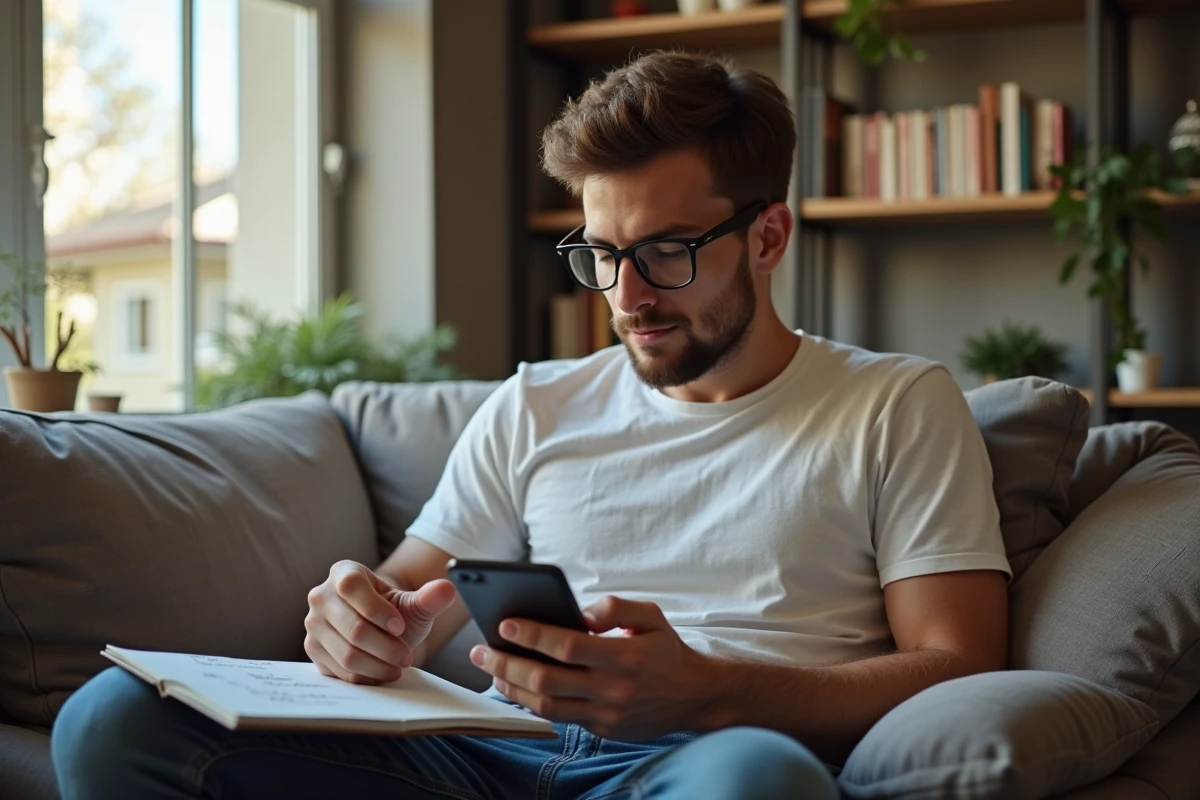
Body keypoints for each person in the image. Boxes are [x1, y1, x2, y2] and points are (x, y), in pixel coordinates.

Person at [52, 51, 1011, 800]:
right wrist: (359, 619)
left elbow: (959, 664)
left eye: (667, 252)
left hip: (703, 763)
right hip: (486, 753)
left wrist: (709, 689)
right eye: (600, 254)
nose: (626, 296)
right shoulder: (536, 402)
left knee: (762, 785)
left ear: (766, 237)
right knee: (114, 717)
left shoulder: (895, 404)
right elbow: (410, 598)